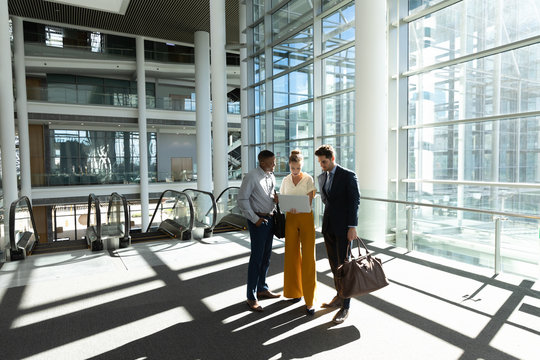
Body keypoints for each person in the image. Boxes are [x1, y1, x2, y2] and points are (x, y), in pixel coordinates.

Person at [315, 144, 360, 324]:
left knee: (345, 267)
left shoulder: (348, 176)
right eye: (320, 162)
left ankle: (346, 306)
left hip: (344, 229)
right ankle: (339, 296)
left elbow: (354, 202)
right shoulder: (324, 176)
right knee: (334, 265)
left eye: (324, 161)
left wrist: (352, 226)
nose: (322, 165)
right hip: (329, 227)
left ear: (332, 159)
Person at [238, 150, 281, 311]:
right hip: (258, 221)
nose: (275, 164)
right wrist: (255, 220)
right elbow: (242, 200)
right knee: (256, 258)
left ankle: (262, 288)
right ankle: (251, 296)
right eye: (272, 162)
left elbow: (267, 195)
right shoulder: (251, 176)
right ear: (262, 162)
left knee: (266, 257)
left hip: (270, 220)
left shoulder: (271, 175)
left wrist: (275, 199)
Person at [280, 150, 317, 315]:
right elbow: (282, 198)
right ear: (289, 165)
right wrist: (286, 205)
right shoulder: (285, 180)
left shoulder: (308, 179)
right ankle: (295, 292)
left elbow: (309, 200)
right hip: (291, 218)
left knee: (309, 257)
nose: (295, 170)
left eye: (298, 167)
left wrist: (300, 205)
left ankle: (310, 300)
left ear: (302, 165)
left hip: (306, 217)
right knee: (291, 255)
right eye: (293, 167)